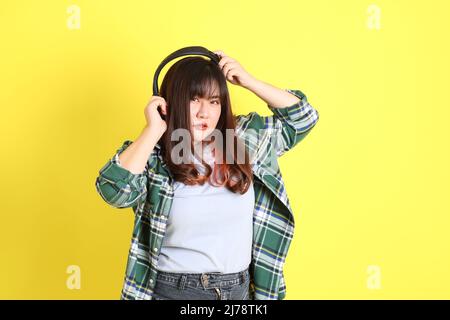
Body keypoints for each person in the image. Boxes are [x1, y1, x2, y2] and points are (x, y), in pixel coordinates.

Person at [95, 50, 320, 300]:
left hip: (240, 291)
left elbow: (303, 119)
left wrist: (249, 81)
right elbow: (113, 191)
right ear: (170, 103)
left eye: (214, 101)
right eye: (194, 99)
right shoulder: (153, 155)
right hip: (174, 292)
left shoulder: (243, 140)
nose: (205, 112)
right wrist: (153, 130)